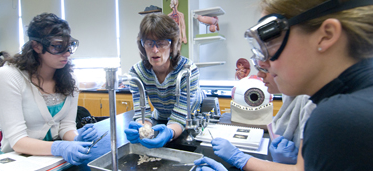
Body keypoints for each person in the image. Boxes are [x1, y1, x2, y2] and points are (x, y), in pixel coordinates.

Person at [196, 0, 373, 170]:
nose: (263, 65)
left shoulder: (340, 118)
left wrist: (240, 159)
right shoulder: (353, 96)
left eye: (271, 42)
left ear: (326, 35)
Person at [0, 13, 98, 166]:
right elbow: (17, 141)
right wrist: (59, 146)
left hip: (54, 161)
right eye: (57, 46)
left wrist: (75, 137)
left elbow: (66, 126)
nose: (67, 53)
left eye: (69, 46)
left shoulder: (70, 79)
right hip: (18, 162)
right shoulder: (9, 76)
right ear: (36, 46)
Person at [124, 13, 206, 149]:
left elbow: (180, 116)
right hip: (162, 116)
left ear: (172, 45)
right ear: (142, 45)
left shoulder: (187, 71)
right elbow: (142, 112)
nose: (155, 50)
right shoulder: (137, 73)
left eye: (161, 43)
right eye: (149, 43)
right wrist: (142, 128)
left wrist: (170, 133)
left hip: (193, 115)